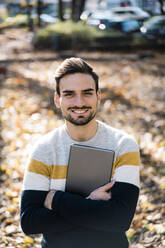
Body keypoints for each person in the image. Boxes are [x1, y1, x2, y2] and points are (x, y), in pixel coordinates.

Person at [20, 57, 140, 248]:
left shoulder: (123, 146)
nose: (79, 102)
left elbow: (119, 219)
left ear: (98, 96)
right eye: (69, 94)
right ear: (57, 100)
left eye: (87, 93)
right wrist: (91, 203)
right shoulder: (44, 149)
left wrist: (56, 200)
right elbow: (30, 221)